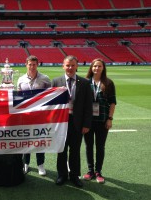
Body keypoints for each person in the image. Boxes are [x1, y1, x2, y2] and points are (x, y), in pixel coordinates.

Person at [51, 55, 92, 188]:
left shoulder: (85, 83)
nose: (70, 68)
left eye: (72, 65)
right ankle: (62, 175)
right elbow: (51, 105)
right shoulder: (56, 81)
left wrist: (86, 124)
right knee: (61, 150)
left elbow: (88, 105)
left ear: (77, 66)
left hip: (77, 122)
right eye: (67, 65)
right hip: (61, 123)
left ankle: (74, 176)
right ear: (63, 66)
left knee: (75, 150)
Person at [83, 58, 116, 184]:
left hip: (102, 120)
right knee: (88, 146)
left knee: (100, 147)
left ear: (103, 68)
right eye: (94, 66)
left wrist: (110, 119)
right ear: (91, 68)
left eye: (99, 66)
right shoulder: (85, 82)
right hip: (88, 121)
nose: (96, 68)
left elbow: (113, 102)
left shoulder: (108, 83)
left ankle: (98, 171)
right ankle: (90, 170)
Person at [17, 55, 51, 176]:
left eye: (34, 64)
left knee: (39, 140)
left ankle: (40, 164)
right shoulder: (21, 79)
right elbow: (19, 98)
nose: (32, 67)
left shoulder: (45, 79)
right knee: (26, 140)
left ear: (38, 65)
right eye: (30, 64)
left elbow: (50, 97)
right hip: (26, 116)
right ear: (26, 64)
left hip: (40, 116)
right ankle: (26, 163)